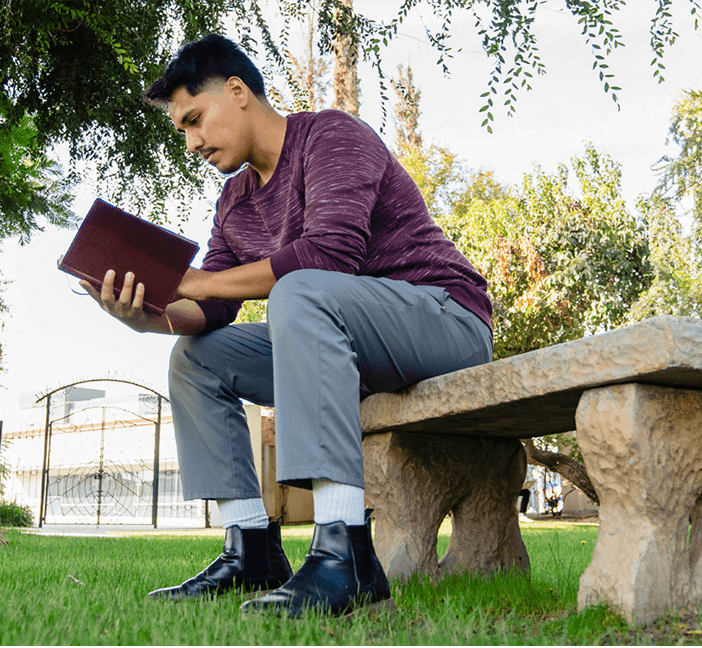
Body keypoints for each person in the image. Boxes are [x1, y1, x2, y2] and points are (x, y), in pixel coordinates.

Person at [81, 33, 493, 617]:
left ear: (238, 91)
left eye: (196, 120)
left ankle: (343, 555)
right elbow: (214, 310)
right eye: (182, 130)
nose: (192, 141)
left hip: (444, 321)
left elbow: (329, 256)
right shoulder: (234, 202)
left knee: (298, 290)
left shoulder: (331, 136)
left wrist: (195, 280)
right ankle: (250, 547)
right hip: (346, 346)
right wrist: (148, 318)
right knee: (197, 356)